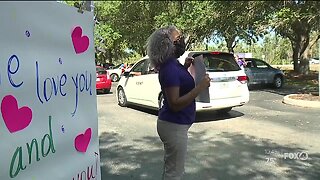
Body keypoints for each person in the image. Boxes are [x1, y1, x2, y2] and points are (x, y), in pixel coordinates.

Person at [146, 25, 211, 180]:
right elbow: (174, 103)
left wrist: (185, 67)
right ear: (166, 44)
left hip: (175, 125)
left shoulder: (174, 64)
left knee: (172, 169)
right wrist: (200, 87)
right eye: (177, 39)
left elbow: (178, 85)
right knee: (174, 173)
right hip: (173, 126)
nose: (182, 41)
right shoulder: (169, 68)